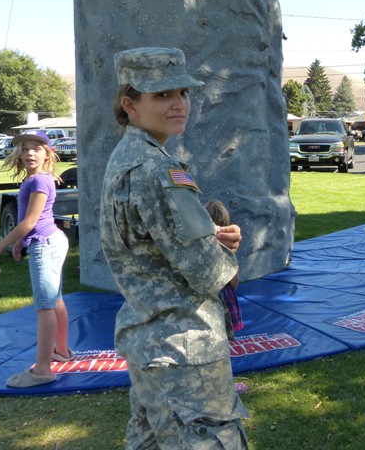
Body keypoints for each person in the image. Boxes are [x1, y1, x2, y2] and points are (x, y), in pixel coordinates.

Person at [100, 47, 249, 448]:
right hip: (184, 348)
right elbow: (212, 273)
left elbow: (149, 245)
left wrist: (209, 237)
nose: (178, 103)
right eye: (162, 95)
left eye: (182, 91)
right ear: (130, 104)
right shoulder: (157, 169)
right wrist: (224, 256)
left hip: (151, 342)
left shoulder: (126, 158)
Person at [0, 130, 73, 388]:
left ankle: (43, 370)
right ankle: (62, 351)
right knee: (54, 299)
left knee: (45, 305)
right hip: (46, 241)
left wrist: (1, 245)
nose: (29, 153)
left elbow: (30, 220)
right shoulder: (33, 179)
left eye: (36, 148)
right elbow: (32, 220)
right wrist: (21, 242)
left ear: (48, 153)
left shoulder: (40, 182)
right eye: (25, 149)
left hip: (47, 244)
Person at [205, 199, 245, 340]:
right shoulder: (227, 247)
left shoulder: (201, 246)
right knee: (225, 331)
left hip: (208, 294)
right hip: (225, 293)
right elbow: (234, 279)